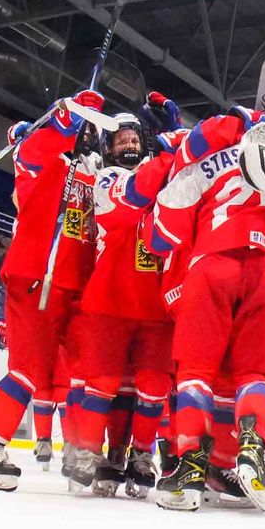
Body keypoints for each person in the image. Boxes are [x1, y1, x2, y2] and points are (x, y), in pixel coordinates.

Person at [145, 106, 265, 512]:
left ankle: (189, 471)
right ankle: (252, 451)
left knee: (196, 372)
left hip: (211, 265)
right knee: (255, 375)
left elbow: (160, 235)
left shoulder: (207, 162)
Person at [0, 89, 104, 492]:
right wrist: (67, 116)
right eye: (83, 127)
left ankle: (80, 450)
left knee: (87, 373)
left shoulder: (94, 172)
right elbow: (35, 149)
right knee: (28, 370)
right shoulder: (41, 159)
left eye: (92, 129)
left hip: (75, 287)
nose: (87, 134)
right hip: (37, 279)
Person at [66, 111, 177, 499]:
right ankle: (91, 452)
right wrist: (168, 151)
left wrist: (172, 141)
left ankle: (141, 455)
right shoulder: (106, 179)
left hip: (156, 305)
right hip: (110, 299)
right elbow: (134, 198)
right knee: (102, 383)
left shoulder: (161, 174)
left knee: (153, 386)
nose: (129, 144)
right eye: (121, 140)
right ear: (109, 148)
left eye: (134, 139)